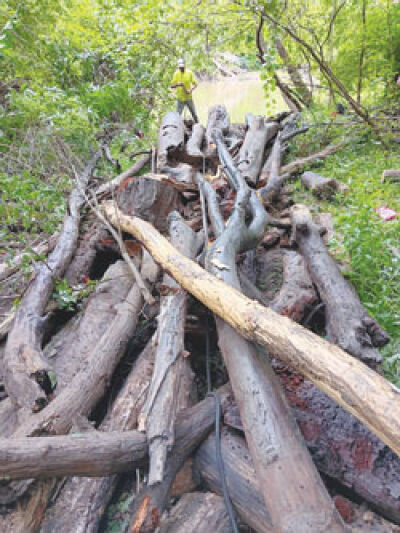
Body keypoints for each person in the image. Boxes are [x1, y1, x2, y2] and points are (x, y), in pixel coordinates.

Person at [170, 58, 199, 123]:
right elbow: (171, 86)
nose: (181, 68)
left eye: (182, 67)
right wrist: (178, 84)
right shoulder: (176, 74)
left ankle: (198, 126)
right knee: (177, 116)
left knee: (194, 114)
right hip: (180, 99)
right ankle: (176, 129)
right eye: (180, 67)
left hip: (188, 98)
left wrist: (190, 90)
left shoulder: (189, 72)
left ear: (185, 65)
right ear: (178, 66)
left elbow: (195, 84)